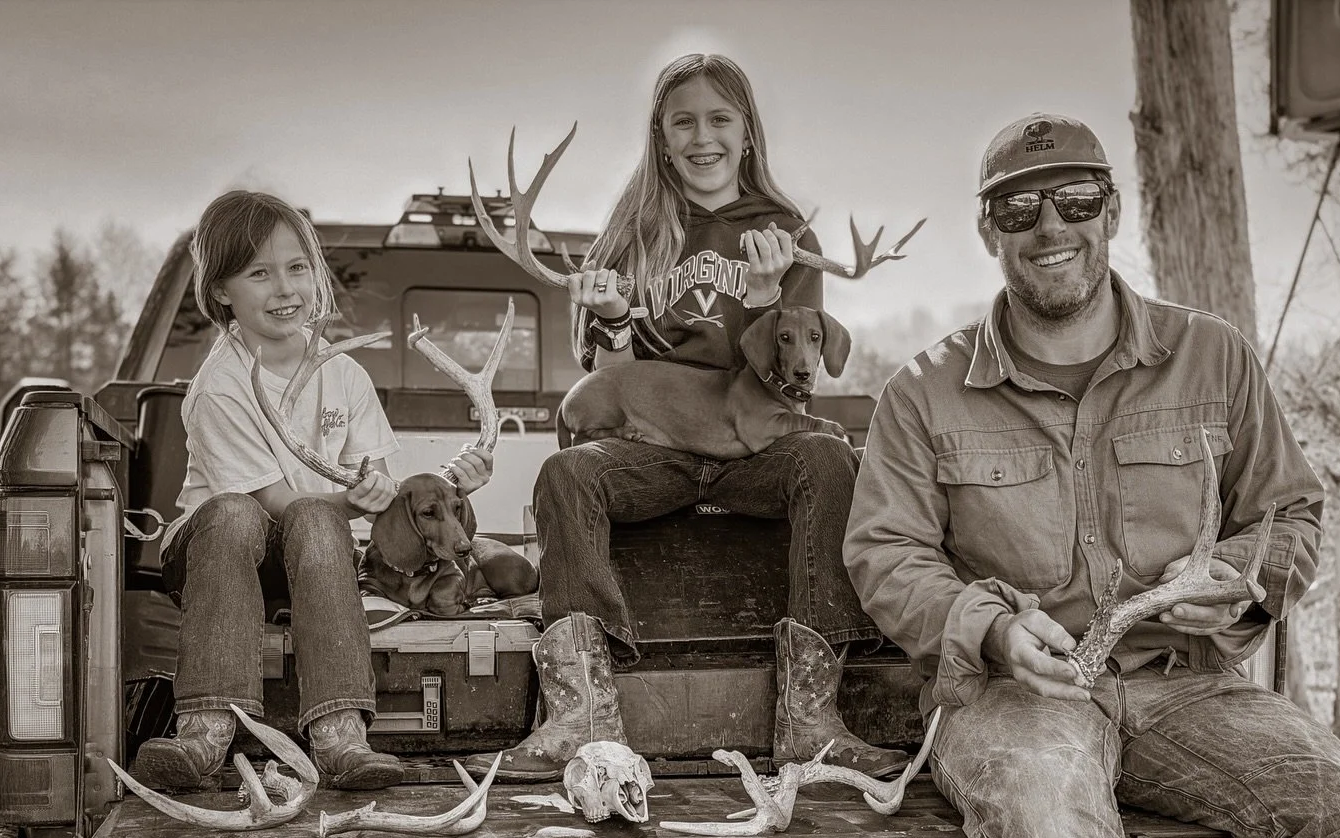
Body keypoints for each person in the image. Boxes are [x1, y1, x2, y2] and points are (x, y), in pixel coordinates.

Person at [843, 113, 1340, 838]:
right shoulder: (922, 392)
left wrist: (1241, 584)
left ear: (1112, 210)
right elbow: (885, 555)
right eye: (1018, 206)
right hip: (1018, 698)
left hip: (1186, 686)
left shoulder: (1213, 357)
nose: (1048, 225)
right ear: (990, 229)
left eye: (1076, 199)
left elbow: (1292, 513)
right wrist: (989, 629)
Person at [469, 54, 907, 783]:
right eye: (684, 122)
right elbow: (602, 376)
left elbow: (797, 370)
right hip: (658, 447)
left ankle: (812, 720)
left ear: (746, 133)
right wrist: (610, 317)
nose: (702, 137)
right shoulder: (634, 231)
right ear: (662, 138)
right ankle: (581, 713)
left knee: (831, 461)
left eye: (719, 119)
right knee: (566, 474)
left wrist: (766, 297)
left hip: (754, 447)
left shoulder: (785, 232)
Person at [132, 190, 493, 792]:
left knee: (320, 524)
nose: (284, 289)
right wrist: (350, 503)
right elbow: (272, 504)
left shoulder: (345, 375)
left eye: (297, 267)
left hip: (311, 555)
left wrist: (454, 485)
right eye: (259, 273)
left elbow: (381, 496)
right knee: (237, 515)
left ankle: (341, 735)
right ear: (221, 291)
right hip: (215, 556)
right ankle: (204, 732)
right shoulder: (220, 386)